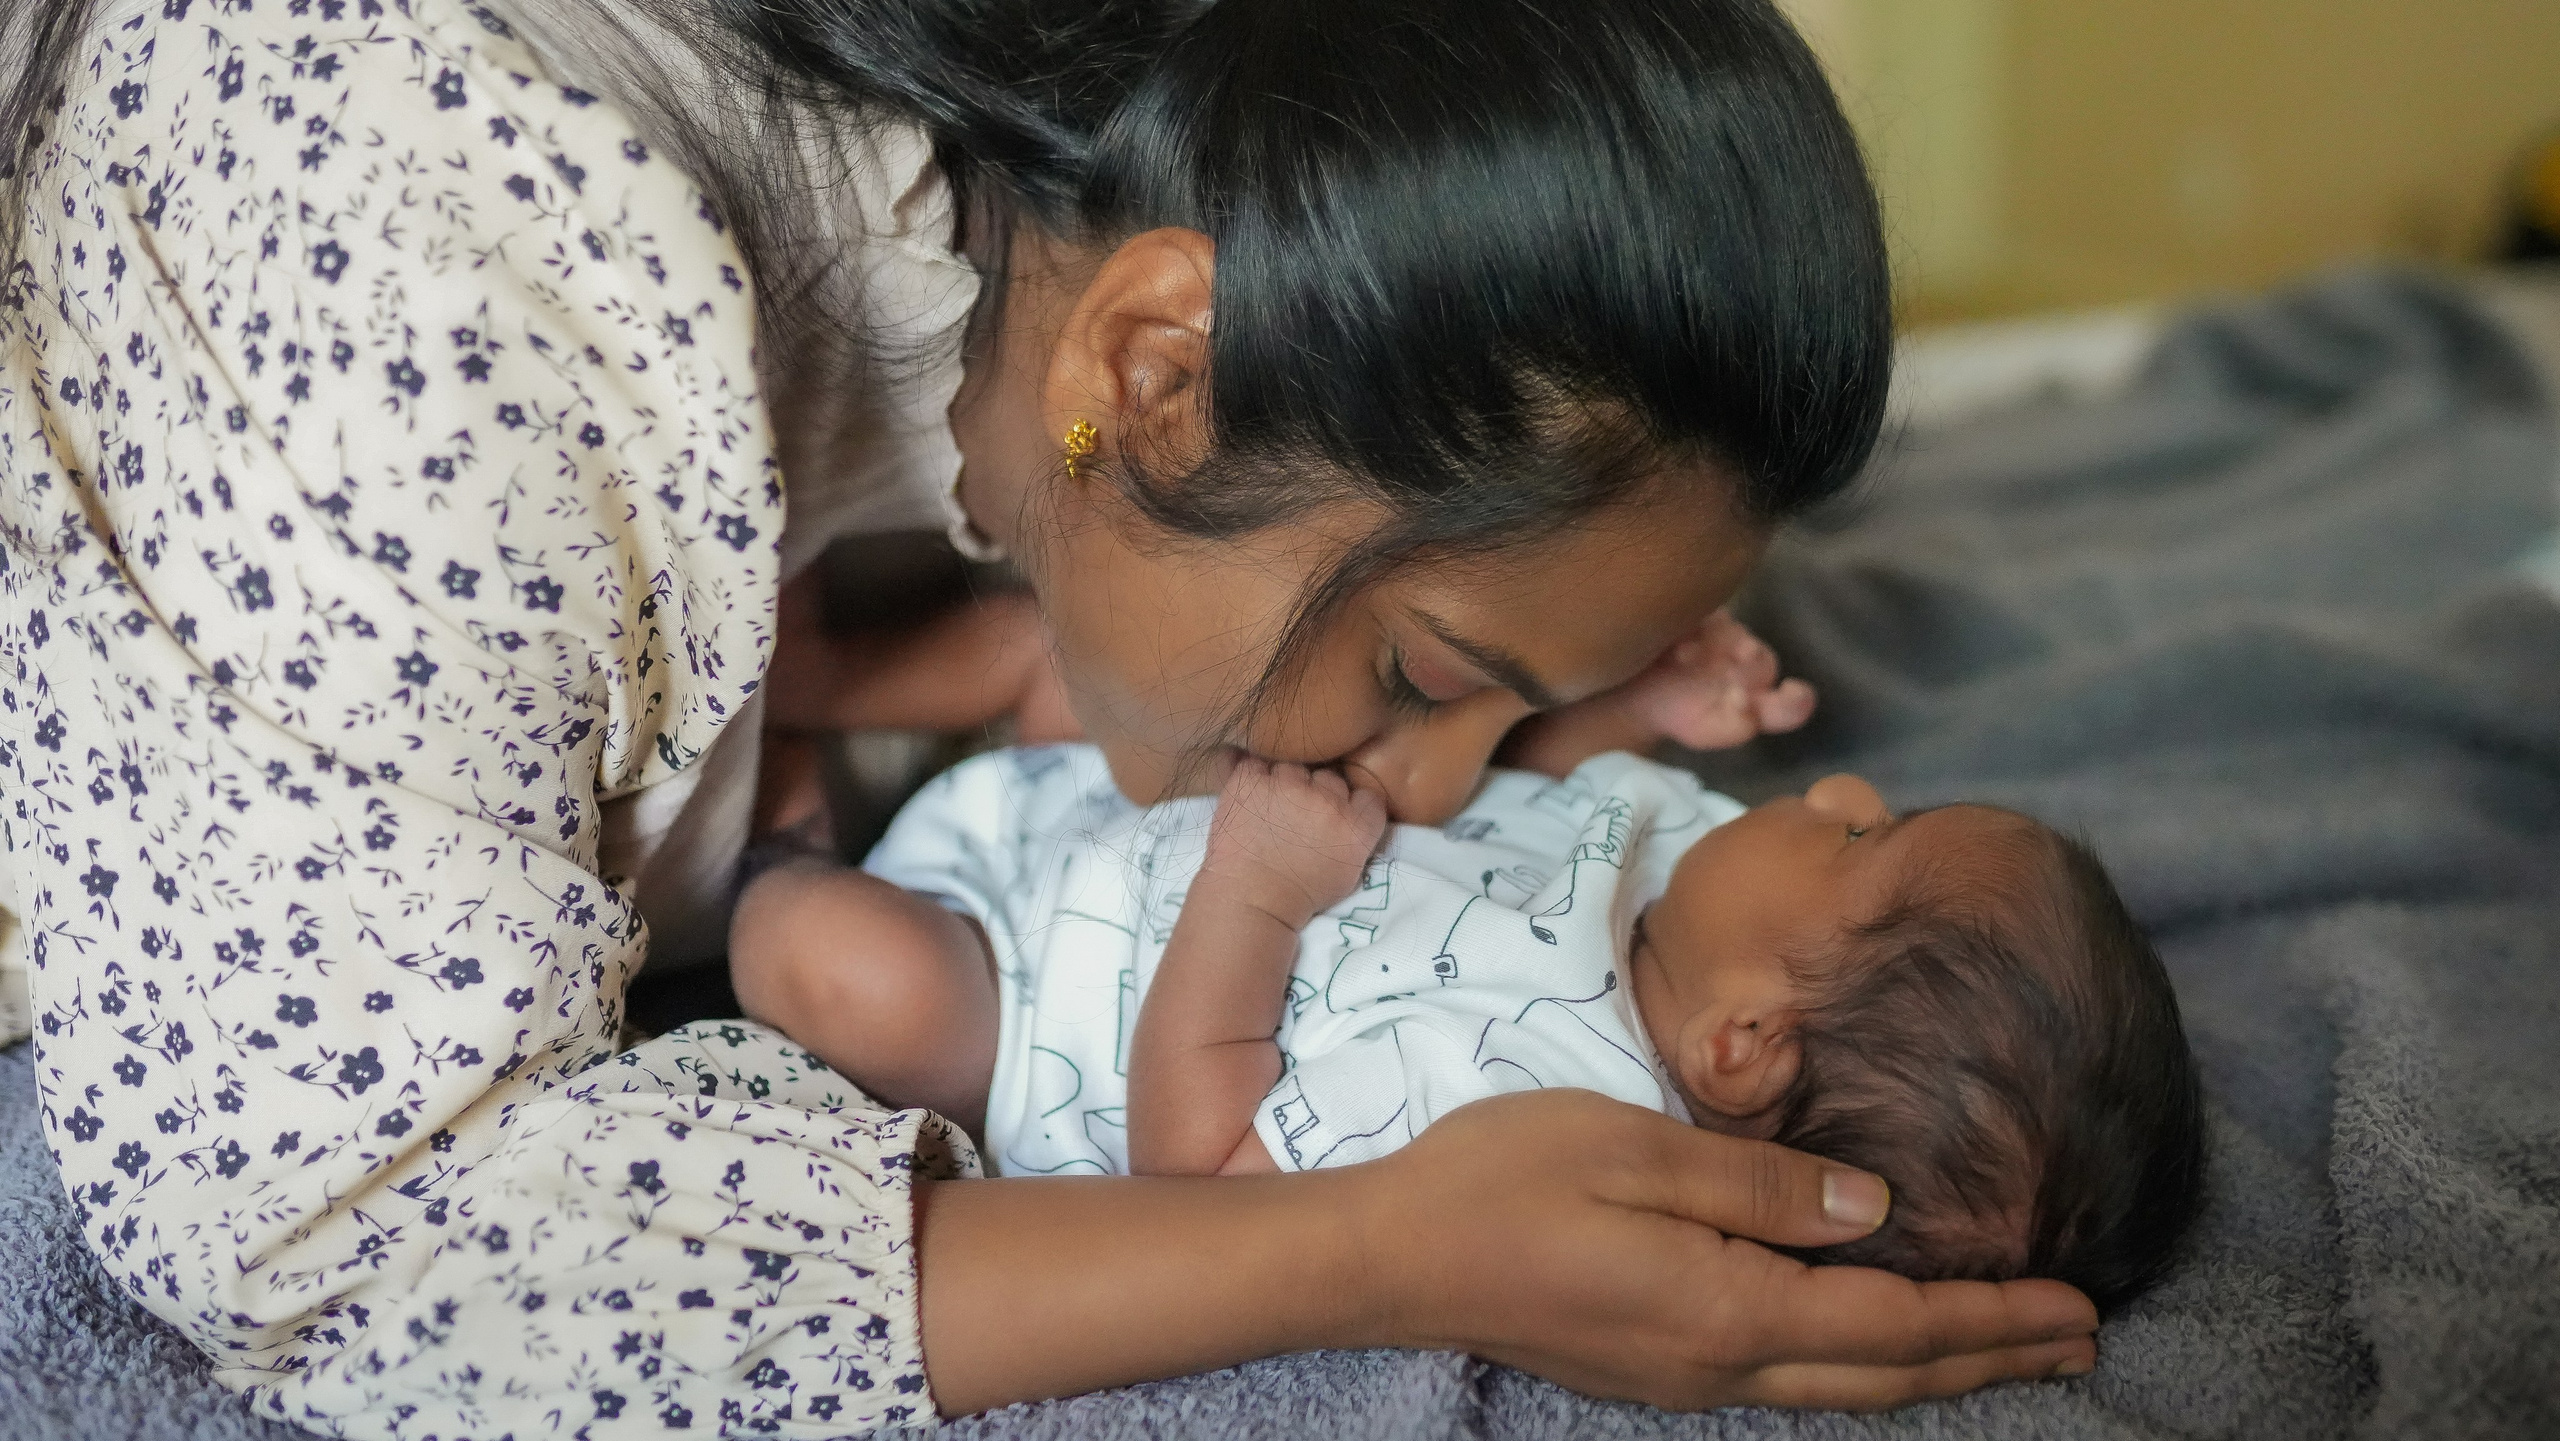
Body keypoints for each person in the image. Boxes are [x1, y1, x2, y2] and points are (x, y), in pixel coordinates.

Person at [0, 0, 2100, 1434]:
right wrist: (1363, 1247)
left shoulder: (1074, 181)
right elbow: (358, 1237)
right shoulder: (436, 317)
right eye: (1427, 680)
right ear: (1157, 364)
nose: (1430, 785)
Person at [736, 739, 2207, 1312]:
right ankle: (843, 712)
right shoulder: (1683, 867)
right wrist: (1654, 692)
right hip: (1099, 796)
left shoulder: (1529, 1108)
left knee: (845, 967)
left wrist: (1252, 892)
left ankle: (769, 849)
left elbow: (1196, 1153)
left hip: (1028, 1003)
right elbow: (1529, 752)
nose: (1834, 792)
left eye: (1855, 844)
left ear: (1742, 1049)